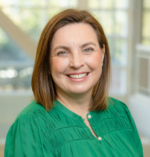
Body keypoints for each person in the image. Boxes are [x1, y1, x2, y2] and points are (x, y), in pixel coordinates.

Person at [4, 9, 143, 157]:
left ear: (102, 54)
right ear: (47, 62)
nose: (76, 63)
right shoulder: (30, 125)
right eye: (63, 52)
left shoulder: (121, 112)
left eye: (88, 49)